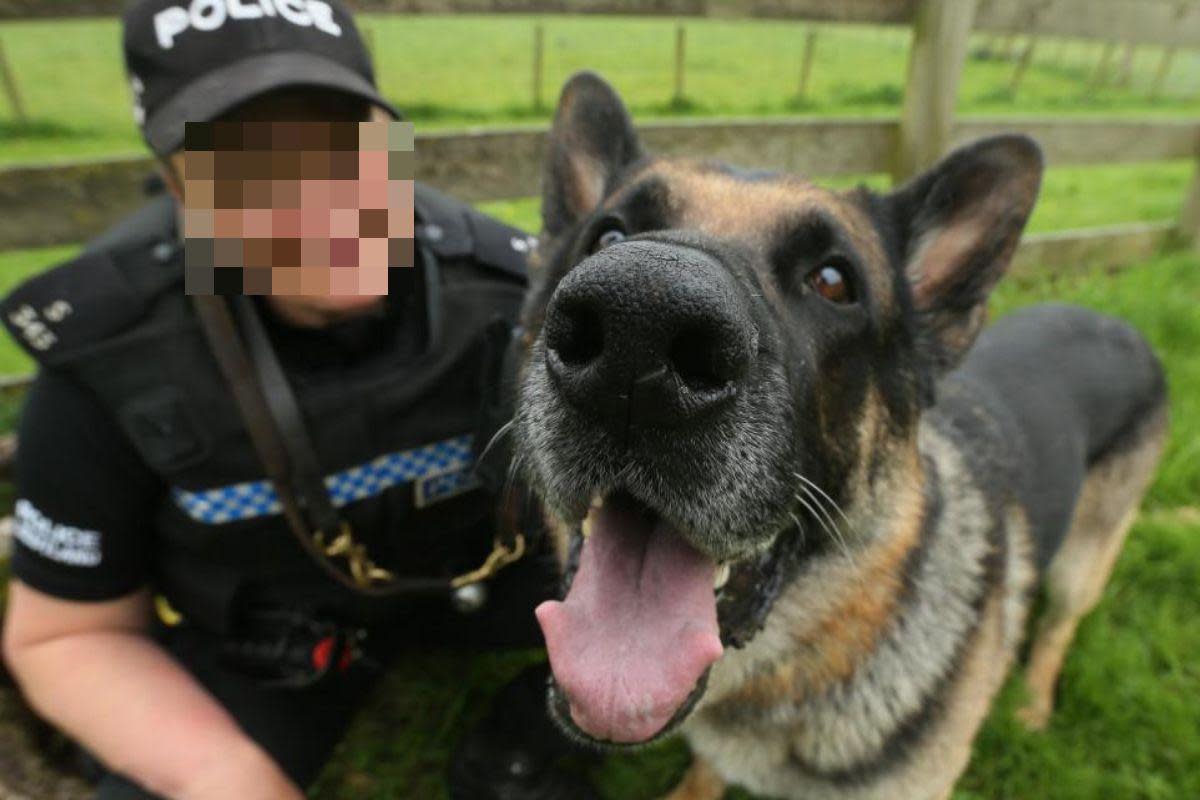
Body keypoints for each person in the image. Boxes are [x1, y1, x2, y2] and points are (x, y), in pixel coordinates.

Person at [0, 2, 591, 798]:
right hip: (285, 641)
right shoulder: (110, 357)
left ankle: (521, 734)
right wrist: (224, 771)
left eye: (344, 133)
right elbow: (65, 634)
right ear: (179, 188)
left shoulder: (512, 290)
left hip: (500, 585)